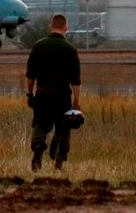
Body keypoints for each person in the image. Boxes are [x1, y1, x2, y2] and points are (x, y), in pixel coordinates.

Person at [25, 13, 81, 172]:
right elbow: (76, 81)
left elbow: (30, 76)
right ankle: (58, 162)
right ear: (66, 28)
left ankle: (37, 148)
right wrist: (76, 103)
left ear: (50, 27)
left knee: (40, 125)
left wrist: (30, 95)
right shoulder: (71, 50)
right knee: (63, 129)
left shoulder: (38, 46)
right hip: (62, 96)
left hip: (42, 95)